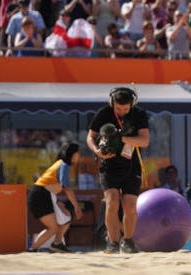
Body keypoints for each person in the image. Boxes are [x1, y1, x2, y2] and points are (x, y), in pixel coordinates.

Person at [86, 87, 150, 254]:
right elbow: (90, 137)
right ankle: (112, 242)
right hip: (109, 166)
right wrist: (96, 151)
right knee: (112, 201)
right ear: (112, 103)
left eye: (125, 109)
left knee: (130, 205)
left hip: (132, 165)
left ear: (132, 104)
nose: (121, 112)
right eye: (118, 108)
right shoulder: (103, 113)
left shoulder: (139, 114)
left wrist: (121, 138)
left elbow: (144, 141)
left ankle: (128, 241)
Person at [27, 142, 83, 252]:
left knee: (66, 218)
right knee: (53, 227)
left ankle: (57, 244)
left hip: (46, 195)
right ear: (72, 154)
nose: (79, 155)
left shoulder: (61, 164)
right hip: (40, 195)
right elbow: (66, 188)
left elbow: (53, 188)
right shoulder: (63, 165)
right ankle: (33, 249)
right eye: (78, 153)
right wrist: (76, 207)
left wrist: (57, 201)